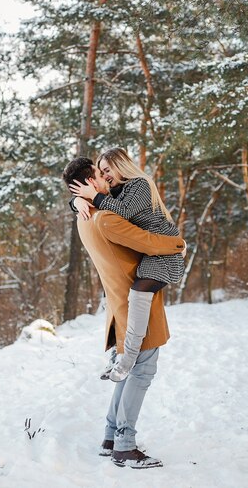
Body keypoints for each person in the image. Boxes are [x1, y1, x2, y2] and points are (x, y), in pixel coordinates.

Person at [62, 156, 185, 469]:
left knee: (128, 373)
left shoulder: (85, 217)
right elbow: (148, 242)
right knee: (141, 372)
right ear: (90, 183)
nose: (106, 181)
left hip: (119, 304)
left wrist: (77, 201)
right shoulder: (105, 218)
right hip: (134, 304)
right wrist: (177, 245)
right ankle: (125, 446)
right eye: (100, 176)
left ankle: (110, 436)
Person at [69, 147, 185, 382]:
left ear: (120, 165)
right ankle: (120, 352)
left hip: (165, 251)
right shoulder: (116, 191)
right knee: (128, 297)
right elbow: (102, 201)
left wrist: (93, 196)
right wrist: (77, 200)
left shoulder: (140, 184)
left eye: (107, 169)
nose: (105, 175)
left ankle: (128, 358)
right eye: (101, 171)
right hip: (150, 252)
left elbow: (122, 212)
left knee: (138, 292)